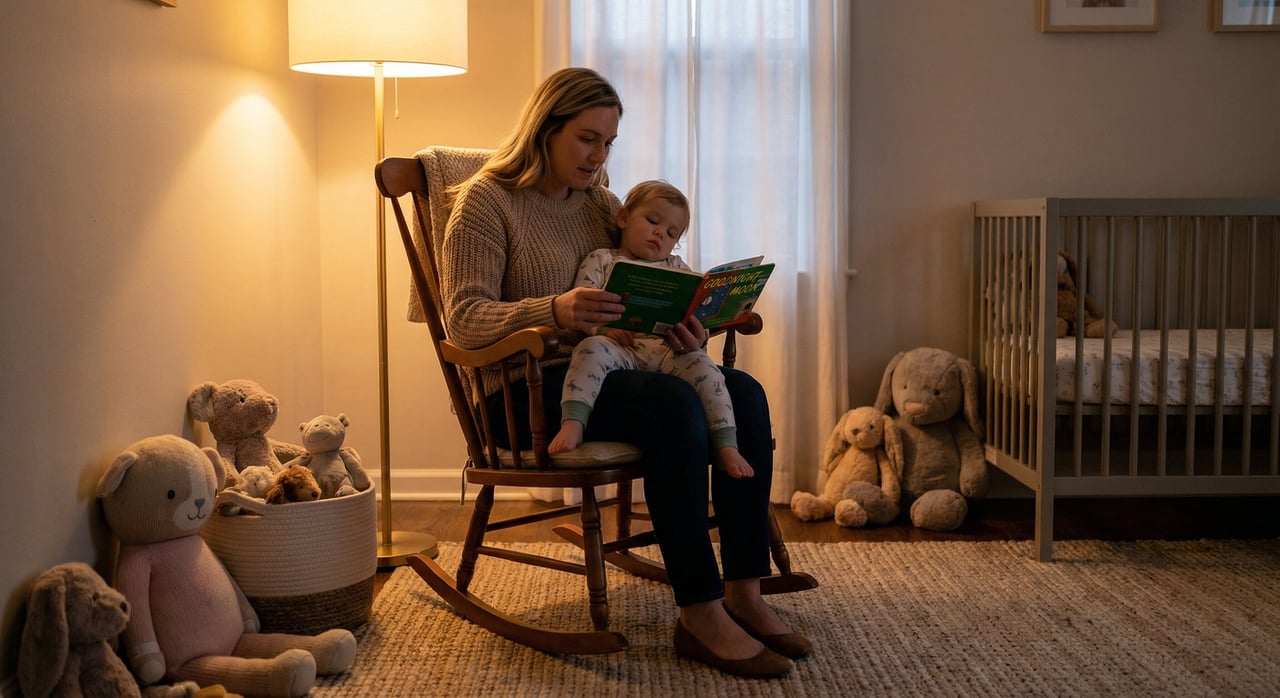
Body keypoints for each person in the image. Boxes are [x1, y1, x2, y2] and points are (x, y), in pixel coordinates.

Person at [439, 66, 811, 679]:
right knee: (672, 404)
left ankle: (744, 589)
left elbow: (651, 276)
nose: (599, 156)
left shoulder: (602, 205)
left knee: (742, 392)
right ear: (546, 127)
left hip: (625, 368)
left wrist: (688, 325)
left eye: (609, 142)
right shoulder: (484, 202)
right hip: (524, 391)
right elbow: (463, 320)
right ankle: (700, 609)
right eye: (588, 138)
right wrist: (555, 309)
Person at [548, 179, 753, 479]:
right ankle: (574, 422)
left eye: (672, 233)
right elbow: (583, 304)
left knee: (709, 370)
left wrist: (697, 337)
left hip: (669, 351)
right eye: (653, 221)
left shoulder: (677, 267)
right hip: (621, 349)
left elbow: (694, 315)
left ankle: (726, 445)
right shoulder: (602, 260)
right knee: (589, 350)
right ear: (624, 218)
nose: (660, 233)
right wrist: (601, 331)